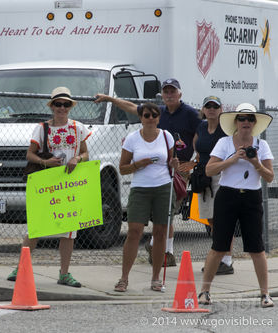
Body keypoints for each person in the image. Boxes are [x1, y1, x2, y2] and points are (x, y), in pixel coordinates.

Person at [95, 78, 201, 266]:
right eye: (166, 91)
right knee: (161, 217)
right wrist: (110, 99)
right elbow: (131, 107)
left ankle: (163, 250)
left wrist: (192, 162)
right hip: (152, 172)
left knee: (170, 212)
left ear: (180, 94)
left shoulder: (190, 114)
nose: (169, 95)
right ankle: (160, 248)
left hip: (178, 167)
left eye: (172, 91)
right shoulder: (157, 112)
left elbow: (199, 135)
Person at [7, 87, 91, 287]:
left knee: (69, 229)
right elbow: (30, 154)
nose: (62, 108)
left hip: (70, 183)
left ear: (70, 107)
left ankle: (64, 273)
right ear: (52, 106)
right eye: (58, 104)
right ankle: (21, 267)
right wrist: (46, 163)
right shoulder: (42, 128)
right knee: (36, 226)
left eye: (66, 104)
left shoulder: (79, 128)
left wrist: (77, 159)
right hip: (47, 183)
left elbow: (86, 153)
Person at [198, 103, 274, 308]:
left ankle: (265, 294)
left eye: (250, 119)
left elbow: (270, 176)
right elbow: (209, 170)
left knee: (257, 248)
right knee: (218, 246)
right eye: (242, 118)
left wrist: (255, 163)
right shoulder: (224, 143)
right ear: (236, 122)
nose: (246, 122)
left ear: (254, 123)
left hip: (251, 197)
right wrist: (232, 158)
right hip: (227, 196)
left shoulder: (262, 145)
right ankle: (205, 291)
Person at [113, 103, 179, 292]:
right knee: (134, 232)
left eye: (154, 115)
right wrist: (137, 165)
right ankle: (124, 278)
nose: (150, 118)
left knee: (160, 233)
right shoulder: (132, 139)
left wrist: (175, 164)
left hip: (163, 187)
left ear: (159, 118)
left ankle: (156, 278)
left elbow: (171, 163)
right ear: (141, 118)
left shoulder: (167, 137)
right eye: (147, 115)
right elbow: (122, 168)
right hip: (140, 188)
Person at [194, 96, 234, 275]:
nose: (211, 109)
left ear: (221, 109)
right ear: (203, 109)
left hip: (221, 176)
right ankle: (217, 256)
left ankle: (226, 260)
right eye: (208, 106)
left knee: (222, 219)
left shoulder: (225, 129)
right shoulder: (201, 127)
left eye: (215, 106)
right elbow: (197, 146)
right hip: (204, 177)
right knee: (210, 219)